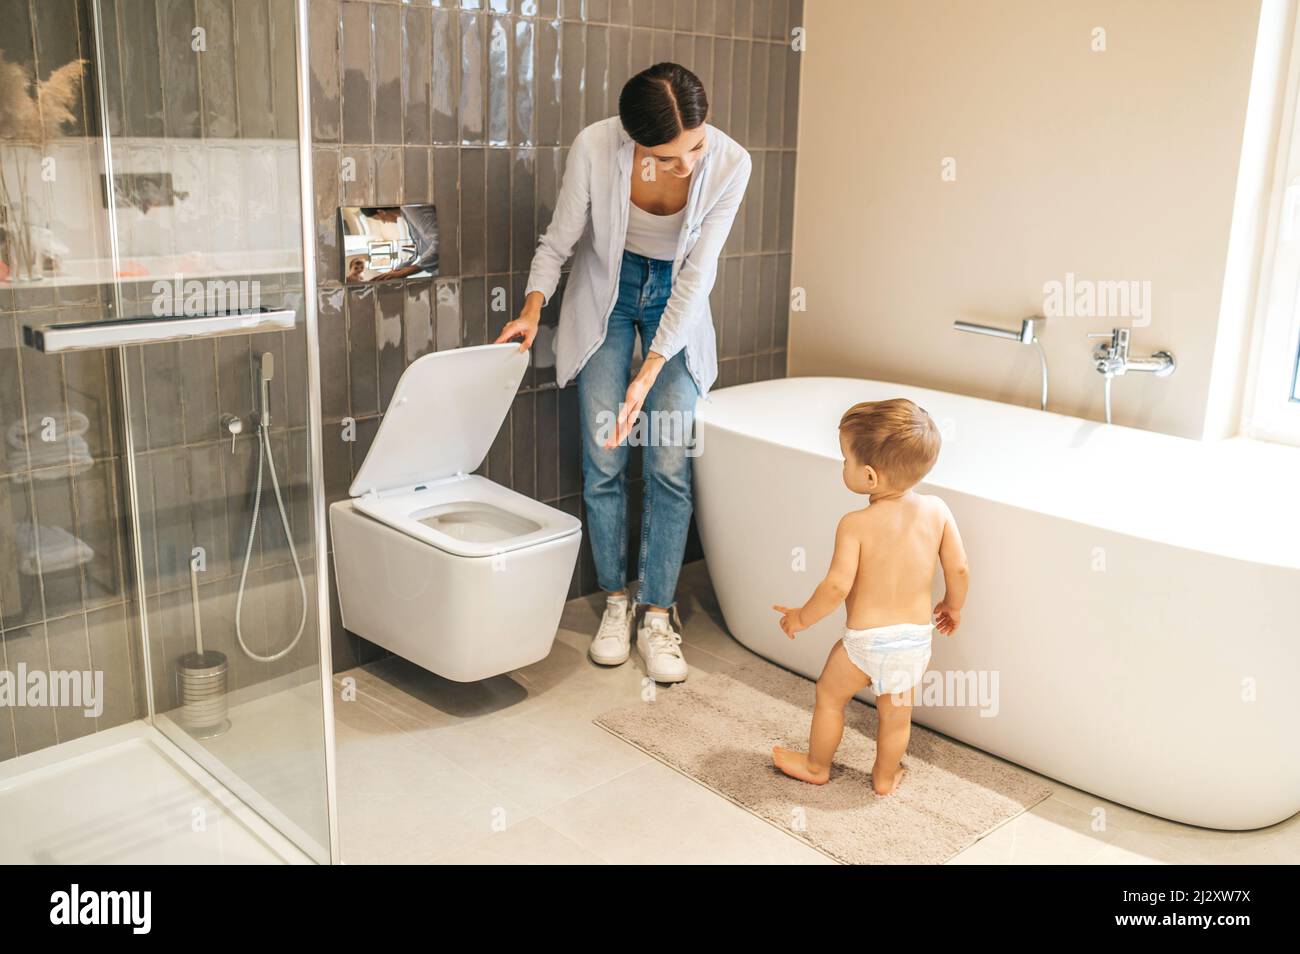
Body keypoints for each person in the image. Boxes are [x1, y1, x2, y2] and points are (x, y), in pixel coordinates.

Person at [497, 63, 752, 683]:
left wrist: (651, 371)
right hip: (606, 296)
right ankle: (617, 602)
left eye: (696, 144)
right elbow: (558, 244)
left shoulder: (730, 163)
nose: (688, 164)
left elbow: (698, 276)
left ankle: (659, 613)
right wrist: (532, 311)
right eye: (667, 157)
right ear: (633, 141)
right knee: (605, 456)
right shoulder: (594, 146)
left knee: (669, 459)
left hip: (677, 301)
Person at [771, 399, 970, 795]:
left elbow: (835, 587)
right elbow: (960, 568)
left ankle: (815, 765)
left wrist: (800, 618)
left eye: (845, 460)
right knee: (896, 716)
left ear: (869, 477)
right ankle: (884, 776)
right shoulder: (937, 511)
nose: (842, 467)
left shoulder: (855, 524)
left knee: (829, 696)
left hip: (864, 643)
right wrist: (953, 606)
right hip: (912, 642)